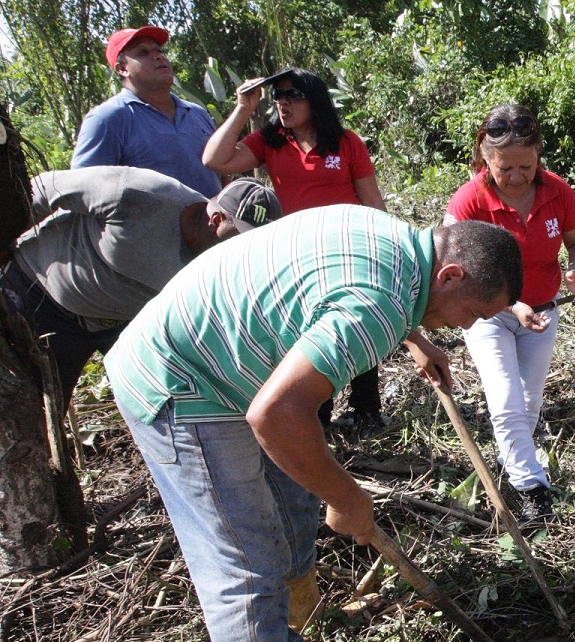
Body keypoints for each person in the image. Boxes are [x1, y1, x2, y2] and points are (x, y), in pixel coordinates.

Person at [103, 213, 522, 642]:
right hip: (184, 384)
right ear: (449, 277)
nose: (463, 327)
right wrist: (349, 498)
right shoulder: (376, 305)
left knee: (296, 503)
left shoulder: (398, 243)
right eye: (471, 315)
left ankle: (301, 623)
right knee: (244, 554)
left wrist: (416, 334)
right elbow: (275, 416)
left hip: (233, 364)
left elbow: (346, 295)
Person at [0, 168, 281, 409]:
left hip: (117, 324)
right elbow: (44, 187)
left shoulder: (225, 262)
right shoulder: (139, 194)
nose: (244, 249)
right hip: (38, 298)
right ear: (217, 220)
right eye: (241, 237)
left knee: (163, 404)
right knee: (31, 409)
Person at [202, 67, 388, 429]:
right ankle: (319, 415)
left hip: (348, 249)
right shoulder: (270, 141)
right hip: (298, 254)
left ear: (313, 99)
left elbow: (372, 201)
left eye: (292, 95)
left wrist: (384, 244)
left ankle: (366, 408)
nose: (283, 102)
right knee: (311, 331)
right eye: (278, 96)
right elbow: (215, 160)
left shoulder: (346, 143)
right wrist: (243, 108)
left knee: (359, 323)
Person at [444, 105, 575, 522]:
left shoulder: (557, 192)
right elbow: (454, 269)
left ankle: (512, 465)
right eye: (504, 168)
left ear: (538, 154)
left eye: (525, 166)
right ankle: (533, 488)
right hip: (486, 315)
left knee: (528, 404)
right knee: (506, 398)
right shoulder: (469, 200)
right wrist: (511, 303)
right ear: (485, 157)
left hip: (543, 314)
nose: (515, 177)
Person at [72, 26, 223, 197]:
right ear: (122, 68)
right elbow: (83, 191)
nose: (158, 56)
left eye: (159, 50)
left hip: (216, 221)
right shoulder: (108, 119)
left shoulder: (197, 113)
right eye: (143, 52)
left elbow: (221, 174)